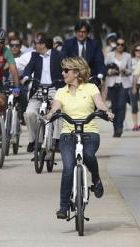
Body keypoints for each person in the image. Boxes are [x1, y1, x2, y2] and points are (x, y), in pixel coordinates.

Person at [46, 57, 114, 219]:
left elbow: (100, 104)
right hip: (68, 134)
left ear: (77, 73)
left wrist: (107, 112)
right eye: (63, 70)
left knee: (89, 155)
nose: (63, 73)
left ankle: (96, 179)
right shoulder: (62, 91)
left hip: (89, 131)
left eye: (66, 70)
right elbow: (56, 106)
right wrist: (50, 114)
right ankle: (63, 207)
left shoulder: (91, 88)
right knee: (68, 168)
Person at [22, 33, 64, 153]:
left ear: (43, 45)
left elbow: (66, 69)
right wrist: (26, 76)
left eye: (37, 43)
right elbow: (28, 68)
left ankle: (57, 140)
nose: (35, 46)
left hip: (54, 89)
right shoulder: (35, 56)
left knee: (58, 112)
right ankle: (34, 140)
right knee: (29, 113)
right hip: (38, 90)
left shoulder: (58, 55)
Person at [105, 37, 133, 137]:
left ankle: (119, 128)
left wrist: (125, 70)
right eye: (118, 44)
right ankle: (115, 128)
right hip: (112, 83)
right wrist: (110, 71)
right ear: (115, 45)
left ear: (124, 46)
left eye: (122, 44)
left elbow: (130, 70)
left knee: (122, 106)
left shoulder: (128, 56)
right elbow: (105, 68)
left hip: (124, 84)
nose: (120, 46)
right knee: (114, 107)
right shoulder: (109, 55)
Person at [129, 43, 140, 131]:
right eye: (137, 50)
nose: (138, 52)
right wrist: (133, 86)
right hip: (133, 84)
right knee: (134, 105)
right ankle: (135, 124)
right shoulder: (131, 60)